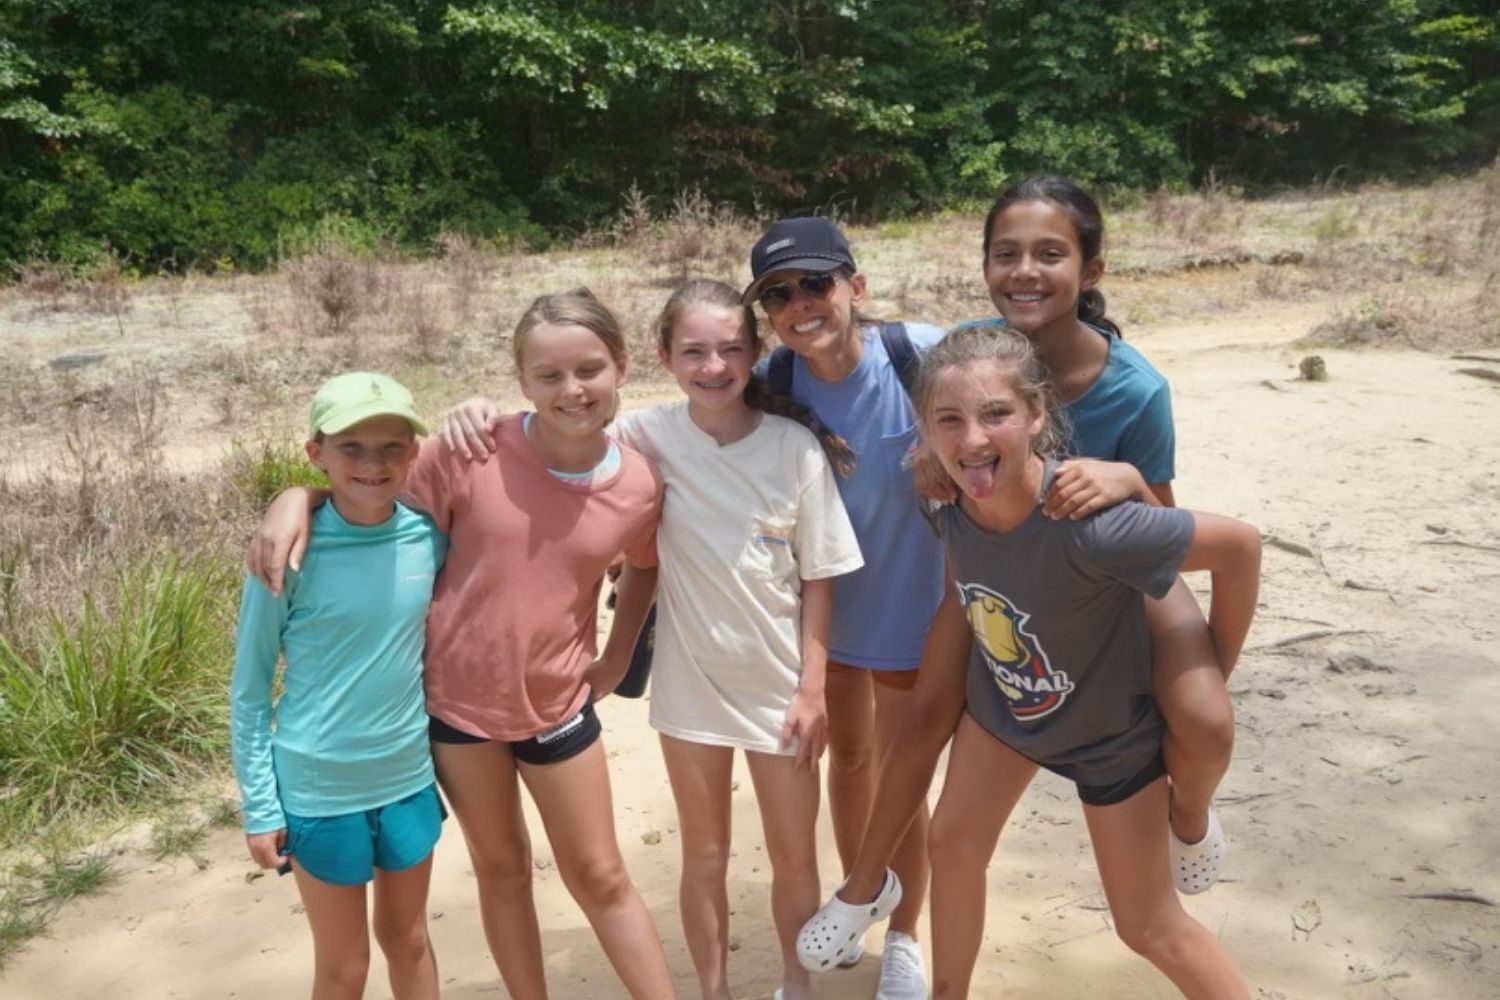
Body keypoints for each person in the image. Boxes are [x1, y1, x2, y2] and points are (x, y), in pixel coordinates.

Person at [799, 325, 1259, 998]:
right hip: (1010, 709)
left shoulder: (1092, 522)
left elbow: (1241, 548)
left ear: (1038, 415)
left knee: (1149, 926)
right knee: (953, 844)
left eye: (996, 415)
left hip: (1109, 736)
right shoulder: (949, 495)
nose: (972, 439)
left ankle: (1190, 825)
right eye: (947, 421)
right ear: (923, 430)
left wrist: (1214, 666)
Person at [439, 278, 865, 1000]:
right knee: (703, 854)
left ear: (756, 353)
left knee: (795, 856)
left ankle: (798, 982)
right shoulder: (645, 438)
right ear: (663, 358)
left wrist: (814, 688)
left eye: (732, 349)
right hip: (688, 682)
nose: (713, 366)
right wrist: (479, 412)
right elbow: (555, 429)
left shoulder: (793, 448)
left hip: (780, 685)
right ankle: (714, 989)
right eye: (693, 350)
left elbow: (821, 576)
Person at [246, 292, 676, 1000]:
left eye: (589, 370)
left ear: (621, 367)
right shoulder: (471, 450)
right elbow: (368, 495)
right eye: (548, 375)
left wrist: (620, 653)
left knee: (600, 875)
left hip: (559, 703)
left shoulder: (636, 483)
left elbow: (646, 562)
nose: (572, 390)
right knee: (502, 870)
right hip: (456, 709)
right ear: (522, 381)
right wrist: (295, 496)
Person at [933, 175, 1236, 889]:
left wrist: (1126, 479)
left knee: (1204, 717)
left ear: (1090, 270)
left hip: (1118, 566)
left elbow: (1165, 522)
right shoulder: (965, 354)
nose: (1025, 272)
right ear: (985, 267)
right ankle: (874, 895)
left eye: (1049, 253)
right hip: (1008, 568)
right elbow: (937, 431)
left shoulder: (1134, 388)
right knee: (919, 715)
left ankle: (1189, 817)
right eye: (1006, 254)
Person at [744, 216, 948, 1000]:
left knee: (905, 776)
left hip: (913, 601)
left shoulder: (919, 355)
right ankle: (863, 903)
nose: (801, 304)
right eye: (779, 293)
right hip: (823, 612)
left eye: (816, 283)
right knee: (850, 760)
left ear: (855, 287)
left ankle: (906, 937)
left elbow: (1011, 406)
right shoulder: (774, 385)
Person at [231, 372, 447, 1000]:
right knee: (344, 966)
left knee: (409, 941)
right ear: (316, 452)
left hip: (407, 778)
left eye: (391, 447)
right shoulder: (285, 552)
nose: (372, 464)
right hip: (320, 789)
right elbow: (248, 689)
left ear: (414, 452)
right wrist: (261, 807)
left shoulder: (427, 536)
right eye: (351, 447)